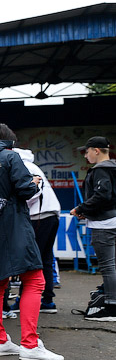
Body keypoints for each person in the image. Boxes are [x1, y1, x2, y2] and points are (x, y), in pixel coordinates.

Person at [0, 122, 64, 360]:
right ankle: (29, 344)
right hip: (14, 224)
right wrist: (35, 184)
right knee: (35, 280)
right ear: (7, 139)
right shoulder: (9, 157)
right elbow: (25, 190)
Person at [70, 136, 116, 321]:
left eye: (87, 151)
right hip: (112, 219)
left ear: (96, 150)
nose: (85, 156)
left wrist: (81, 209)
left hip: (104, 224)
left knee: (108, 266)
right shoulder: (113, 168)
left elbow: (102, 195)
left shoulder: (101, 170)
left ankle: (112, 307)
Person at [13, 146, 61, 313]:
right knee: (45, 259)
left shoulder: (22, 167)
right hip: (51, 215)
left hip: (38, 216)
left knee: (30, 260)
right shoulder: (32, 165)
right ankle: (47, 300)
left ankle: (23, 299)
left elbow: (31, 192)